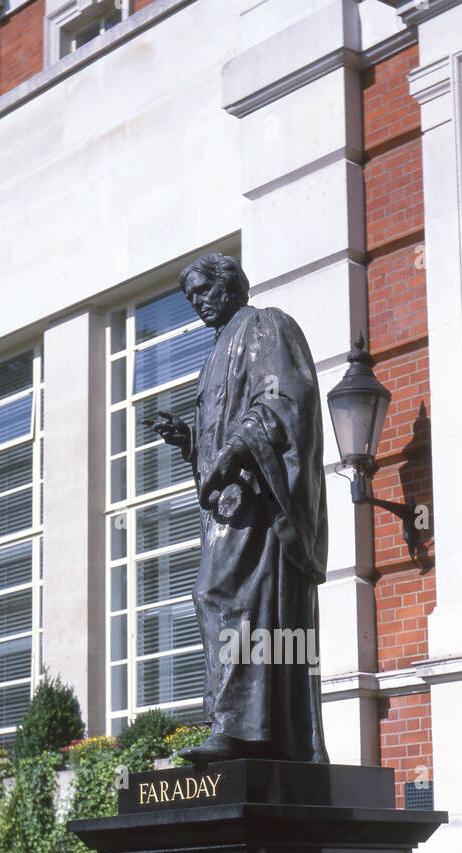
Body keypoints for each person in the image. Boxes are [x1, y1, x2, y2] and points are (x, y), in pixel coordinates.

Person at [150, 253, 329, 764]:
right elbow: (222, 433)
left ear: (231, 286)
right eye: (190, 297)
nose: (197, 302)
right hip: (230, 506)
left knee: (218, 593)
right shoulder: (215, 353)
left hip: (258, 503)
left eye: (204, 290)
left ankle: (238, 729)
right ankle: (240, 726)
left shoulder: (266, 326)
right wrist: (191, 442)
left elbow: (283, 400)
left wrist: (236, 449)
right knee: (221, 599)